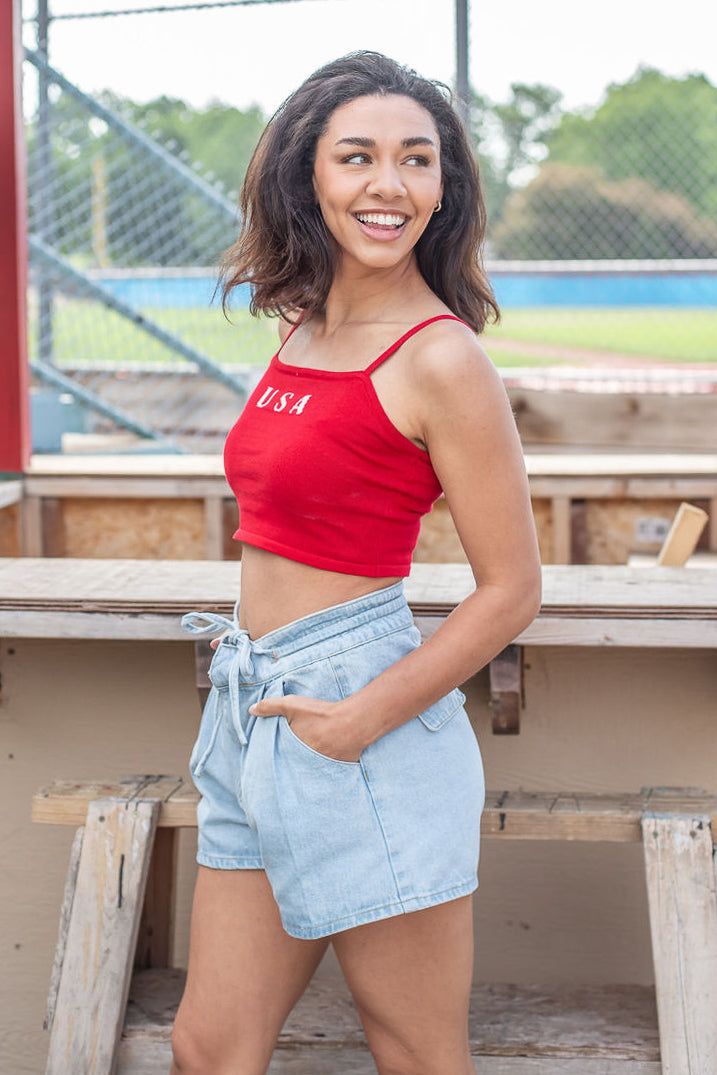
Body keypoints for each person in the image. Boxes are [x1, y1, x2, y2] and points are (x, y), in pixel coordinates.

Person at [171, 50, 541, 1075]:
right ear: (309, 177)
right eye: (360, 157)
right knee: (209, 1049)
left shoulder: (441, 357)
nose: (390, 185)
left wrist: (358, 719)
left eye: (417, 161)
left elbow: (513, 588)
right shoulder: (300, 327)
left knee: (414, 1051)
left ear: (444, 187)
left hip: (358, 715)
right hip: (254, 709)